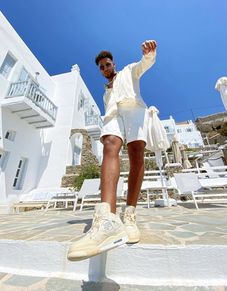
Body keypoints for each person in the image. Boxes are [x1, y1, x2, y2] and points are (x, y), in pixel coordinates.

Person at [67, 40, 157, 261]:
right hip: (112, 115)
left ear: (113, 64)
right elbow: (109, 107)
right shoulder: (105, 92)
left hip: (134, 110)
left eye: (108, 64)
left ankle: (130, 215)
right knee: (109, 146)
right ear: (100, 71)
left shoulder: (128, 71)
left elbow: (142, 65)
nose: (105, 68)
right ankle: (107, 218)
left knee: (136, 154)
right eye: (101, 67)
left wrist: (149, 55)